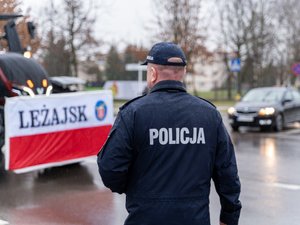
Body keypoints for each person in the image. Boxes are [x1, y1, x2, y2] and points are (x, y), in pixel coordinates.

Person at [97, 42, 242, 225]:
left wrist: (136, 189)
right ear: (183, 73)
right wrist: (229, 217)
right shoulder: (209, 115)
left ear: (153, 74)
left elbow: (110, 169)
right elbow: (227, 174)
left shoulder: (133, 113)